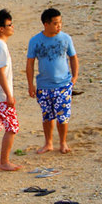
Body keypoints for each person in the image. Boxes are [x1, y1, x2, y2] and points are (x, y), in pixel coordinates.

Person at [26, 8, 79, 154]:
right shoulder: (35, 41)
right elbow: (30, 64)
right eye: (55, 23)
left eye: (60, 22)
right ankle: (48, 143)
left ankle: (63, 142)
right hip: (44, 85)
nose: (59, 26)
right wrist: (31, 85)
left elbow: (73, 57)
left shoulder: (66, 38)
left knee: (63, 116)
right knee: (47, 115)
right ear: (46, 24)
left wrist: (74, 77)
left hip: (63, 84)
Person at [0, 9, 22, 171]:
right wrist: (9, 95)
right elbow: (0, 72)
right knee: (12, 127)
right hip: (0, 95)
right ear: (2, 28)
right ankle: (4, 161)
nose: (12, 27)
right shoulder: (0, 46)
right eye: (9, 25)